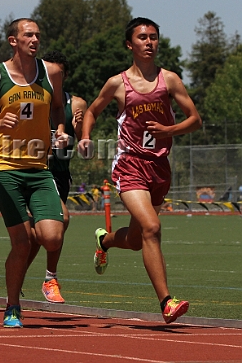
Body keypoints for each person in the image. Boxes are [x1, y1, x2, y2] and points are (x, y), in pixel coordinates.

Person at [79, 17, 201, 324]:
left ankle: (104, 241)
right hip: (129, 165)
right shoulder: (118, 83)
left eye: (154, 38)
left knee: (136, 240)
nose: (149, 42)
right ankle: (166, 302)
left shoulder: (169, 80)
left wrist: (168, 130)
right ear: (129, 44)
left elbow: (195, 120)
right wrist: (85, 136)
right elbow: (93, 110)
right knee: (152, 228)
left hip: (159, 167)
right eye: (143, 37)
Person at [0, 18, 66, 328]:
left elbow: (58, 111)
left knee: (52, 236)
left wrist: (60, 131)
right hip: (6, 167)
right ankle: (13, 306)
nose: (35, 39)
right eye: (28, 35)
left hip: (39, 168)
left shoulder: (51, 73)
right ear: (14, 40)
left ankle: (32, 274)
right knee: (22, 242)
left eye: (38, 34)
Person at [24, 50, 86, 303]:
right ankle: (51, 278)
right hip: (33, 172)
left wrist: (79, 128)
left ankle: (17, 276)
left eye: (57, 74)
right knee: (61, 220)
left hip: (60, 175)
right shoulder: (32, 99)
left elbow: (83, 142)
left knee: (40, 237)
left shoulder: (76, 104)